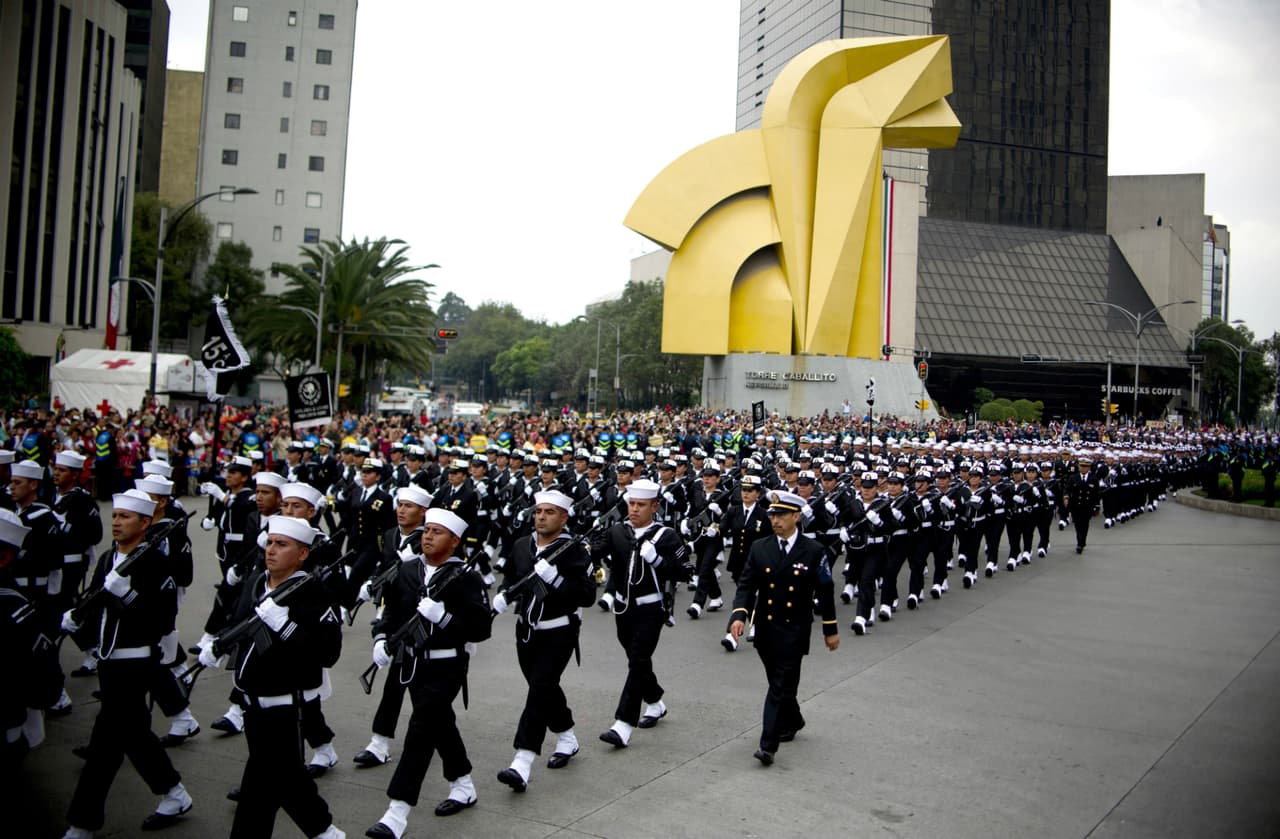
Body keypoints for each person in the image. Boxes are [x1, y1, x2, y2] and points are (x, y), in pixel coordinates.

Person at [199, 515, 346, 839]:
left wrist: (286, 626)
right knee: (272, 789)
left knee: (274, 788)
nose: (271, 550)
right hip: (253, 707)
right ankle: (326, 833)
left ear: (303, 553)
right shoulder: (256, 582)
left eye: (282, 544)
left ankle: (327, 833)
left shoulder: (313, 592)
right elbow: (238, 621)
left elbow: (327, 654)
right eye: (270, 542)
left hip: (283, 709)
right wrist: (218, 644)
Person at [60, 490, 192, 838]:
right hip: (109, 664)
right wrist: (78, 618)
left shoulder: (155, 563)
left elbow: (162, 620)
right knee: (134, 736)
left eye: (125, 517)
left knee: (104, 749)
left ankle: (82, 823)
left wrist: (129, 595)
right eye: (115, 515)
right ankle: (174, 793)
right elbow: (97, 602)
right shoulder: (108, 559)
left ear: (145, 523)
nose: (116, 522)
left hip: (135, 666)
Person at [364, 509, 492, 839]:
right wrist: (380, 638)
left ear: (454, 541)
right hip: (411, 663)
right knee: (439, 723)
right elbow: (390, 611)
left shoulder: (466, 577)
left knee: (420, 729)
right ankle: (462, 783)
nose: (427, 536)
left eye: (437, 532)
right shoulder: (407, 570)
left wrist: (444, 617)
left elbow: (480, 629)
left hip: (446, 664)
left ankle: (397, 812)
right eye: (426, 530)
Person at [491, 489, 595, 792]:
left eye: (549, 512)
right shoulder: (523, 545)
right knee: (543, 688)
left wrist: (556, 580)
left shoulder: (574, 549)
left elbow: (586, 595)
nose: (541, 517)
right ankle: (567, 737)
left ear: (564, 518)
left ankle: (522, 760)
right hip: (526, 629)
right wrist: (503, 594)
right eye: (538, 511)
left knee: (539, 688)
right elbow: (512, 576)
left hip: (558, 630)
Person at [726, 490, 839, 766]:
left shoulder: (813, 551)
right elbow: (747, 585)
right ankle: (795, 718)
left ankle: (768, 745)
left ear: (796, 516)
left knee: (779, 684)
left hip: (794, 628)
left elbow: (825, 589)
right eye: (772, 515)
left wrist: (830, 628)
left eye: (781, 515)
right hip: (765, 626)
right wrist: (739, 616)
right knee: (779, 682)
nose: (775, 520)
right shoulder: (761, 547)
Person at [593, 478, 691, 748]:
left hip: (651, 608)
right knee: (636, 659)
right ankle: (656, 701)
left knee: (637, 659)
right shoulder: (618, 532)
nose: (634, 509)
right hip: (623, 608)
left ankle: (623, 724)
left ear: (654, 506)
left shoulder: (666, 536)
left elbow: (684, 571)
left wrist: (658, 560)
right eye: (631, 504)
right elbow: (594, 551)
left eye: (641, 505)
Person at [352, 484, 432, 769]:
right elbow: (384, 567)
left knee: (426, 692)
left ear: (422, 512)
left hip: (421, 617)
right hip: (395, 614)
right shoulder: (390, 535)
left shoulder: (429, 539)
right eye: (400, 505)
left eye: (408, 506)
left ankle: (431, 736)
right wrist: (372, 585)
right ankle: (379, 742)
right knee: (396, 685)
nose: (401, 510)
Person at [1063, 455, 1100, 554]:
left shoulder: (1093, 479)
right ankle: (1080, 542)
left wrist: (1097, 507)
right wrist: (1066, 497)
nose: (1083, 468)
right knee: (1077, 525)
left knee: (1085, 525)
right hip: (1075, 505)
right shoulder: (1073, 477)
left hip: (1087, 506)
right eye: (1081, 466)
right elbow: (1067, 489)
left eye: (1085, 466)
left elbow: (1096, 494)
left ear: (1089, 468)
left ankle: (1081, 542)